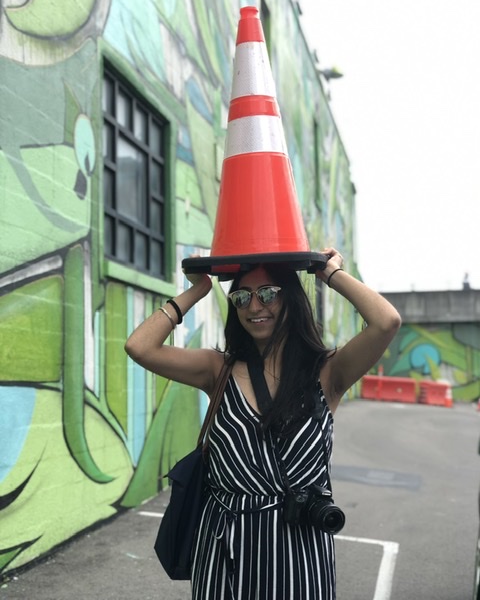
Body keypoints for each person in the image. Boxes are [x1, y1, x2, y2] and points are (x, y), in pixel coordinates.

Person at [125, 248, 401, 600]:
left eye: (268, 293)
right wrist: (198, 289)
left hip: (298, 551)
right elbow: (139, 347)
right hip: (226, 549)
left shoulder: (327, 372)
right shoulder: (218, 369)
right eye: (241, 297)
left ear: (291, 299)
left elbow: (386, 322)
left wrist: (329, 274)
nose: (254, 307)